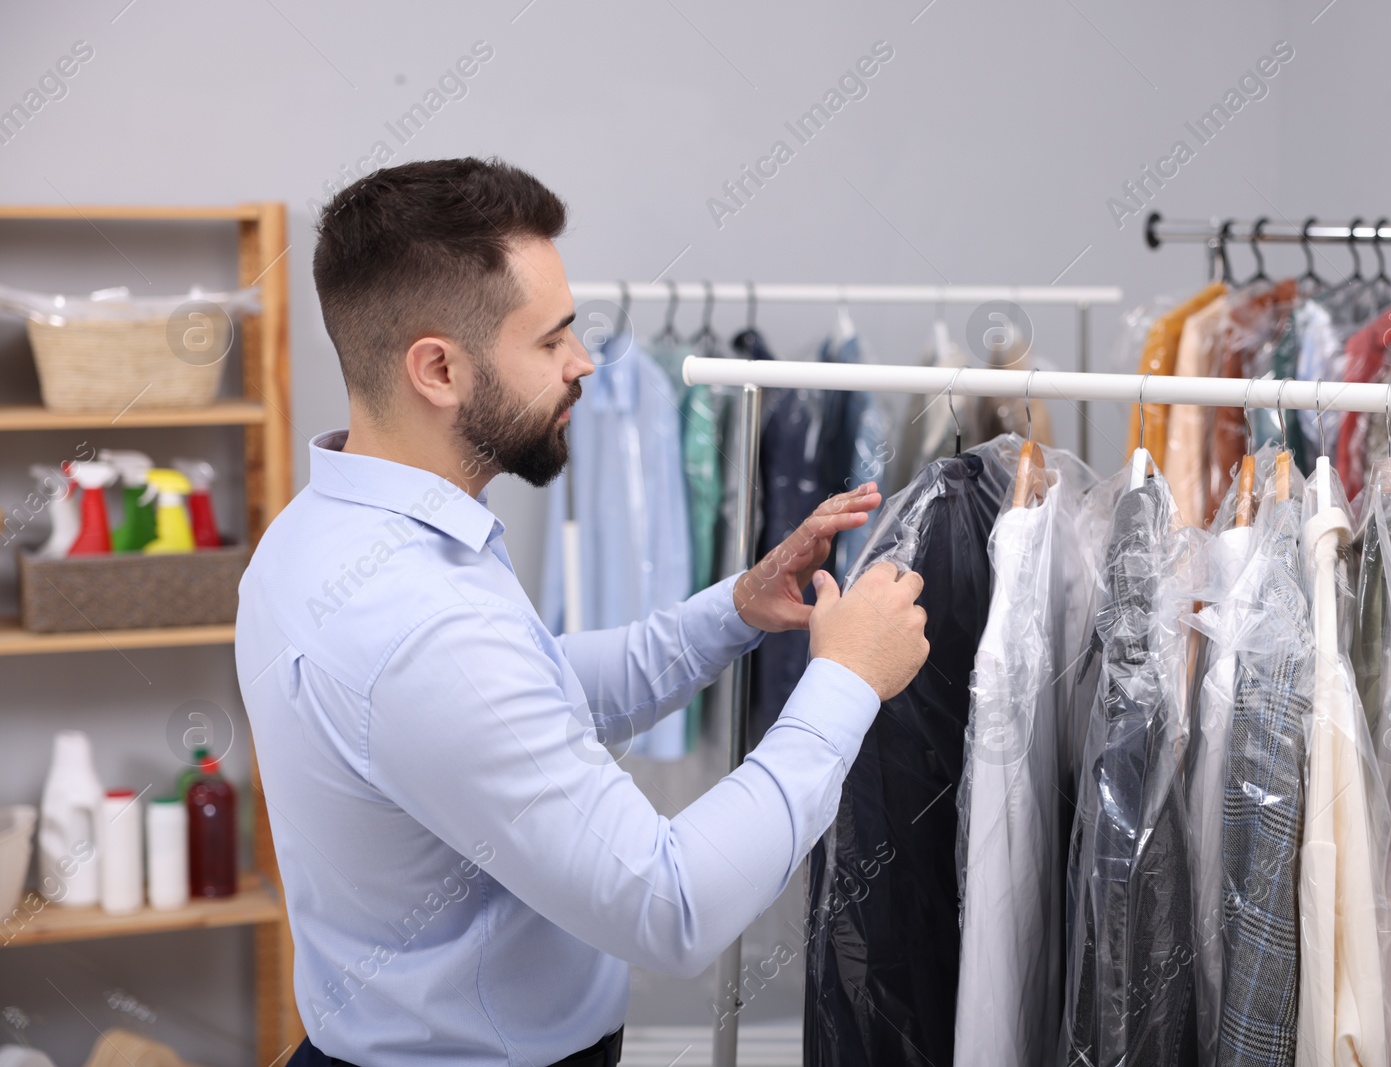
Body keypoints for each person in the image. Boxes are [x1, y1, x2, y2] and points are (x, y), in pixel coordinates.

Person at [235, 157, 930, 1066]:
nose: (585, 362)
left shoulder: (319, 537)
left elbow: (532, 695)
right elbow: (672, 906)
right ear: (438, 369)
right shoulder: (421, 624)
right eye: (552, 340)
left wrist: (735, 610)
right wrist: (846, 680)